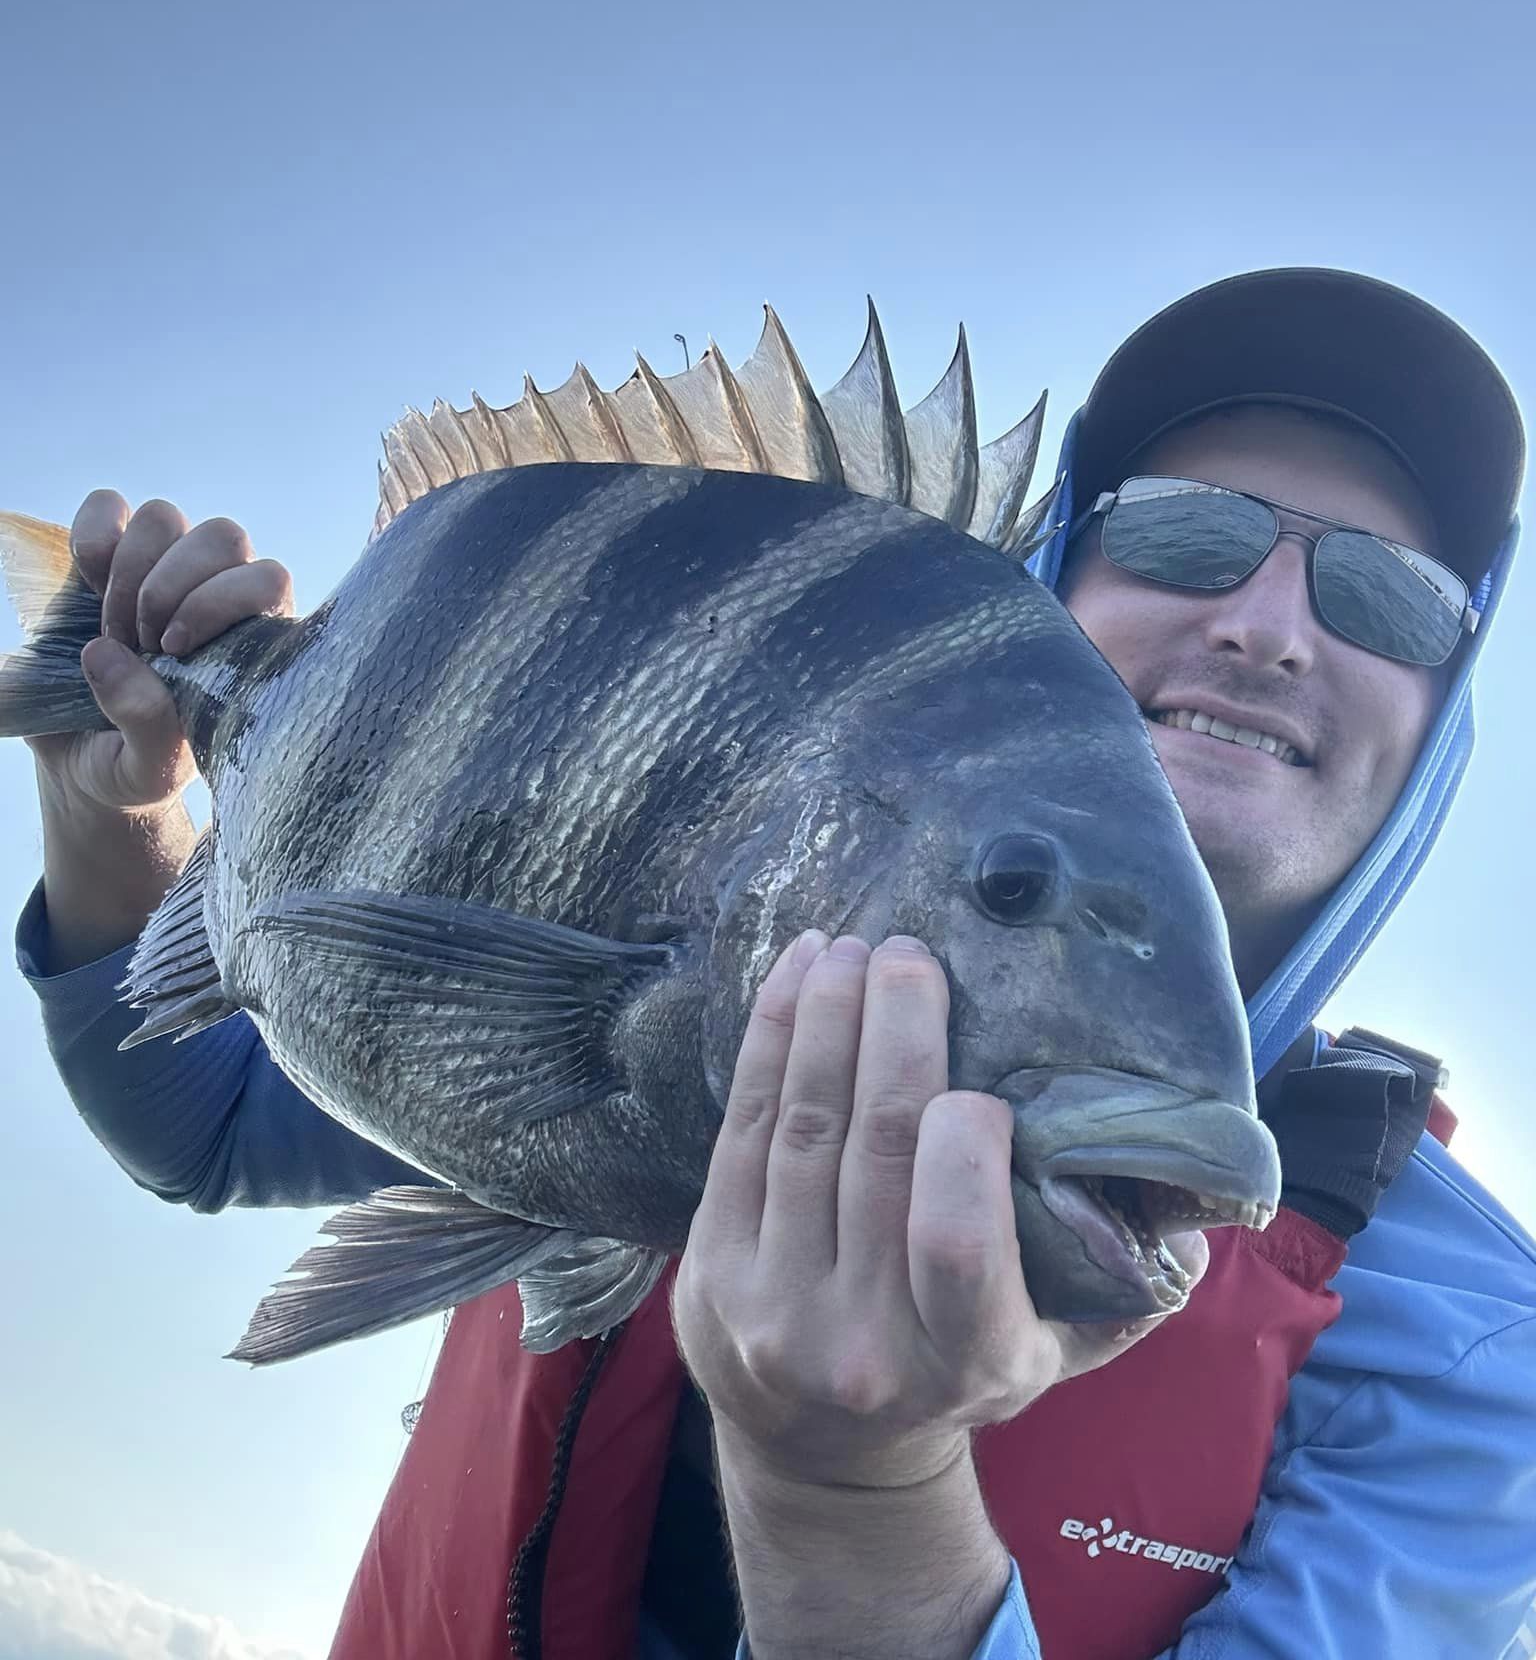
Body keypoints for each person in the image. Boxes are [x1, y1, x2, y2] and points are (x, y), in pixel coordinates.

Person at [14, 268, 1536, 1659]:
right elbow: (203, 1130)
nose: (1269, 627)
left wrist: (861, 1499)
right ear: (1059, 570)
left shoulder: (1475, 1354)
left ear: (1445, 702)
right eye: (1182, 534)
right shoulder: (698, 919)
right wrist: (116, 821)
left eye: (1388, 594)